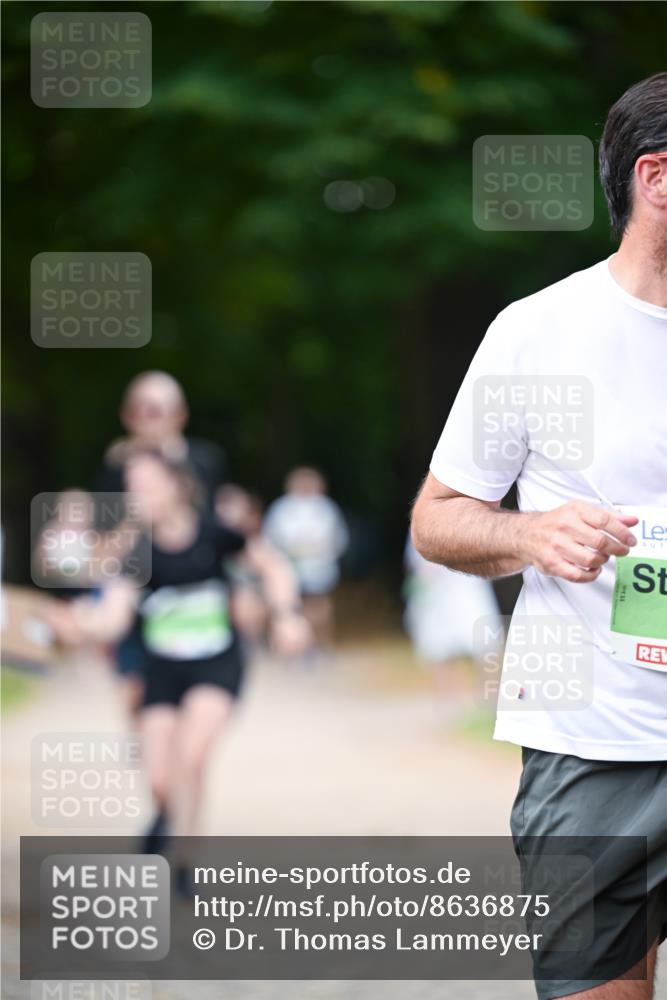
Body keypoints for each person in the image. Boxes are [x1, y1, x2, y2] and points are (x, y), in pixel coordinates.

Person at [411, 73, 666, 999]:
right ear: (656, 177)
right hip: (590, 739)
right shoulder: (537, 333)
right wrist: (531, 535)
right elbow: (436, 519)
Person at [50, 451, 310, 892]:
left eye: (149, 482)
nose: (140, 493)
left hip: (216, 662)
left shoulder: (216, 533)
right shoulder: (136, 550)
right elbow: (112, 617)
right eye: (133, 486)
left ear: (177, 485)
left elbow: (273, 566)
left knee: (191, 756)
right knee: (159, 777)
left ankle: (184, 863)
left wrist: (286, 614)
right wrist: (80, 628)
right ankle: (168, 818)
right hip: (162, 668)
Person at [95, 371, 227, 711]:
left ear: (179, 414)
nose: (141, 419)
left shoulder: (204, 460)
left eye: (152, 410)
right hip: (138, 595)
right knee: (139, 697)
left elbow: (215, 533)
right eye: (134, 410)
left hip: (191, 597)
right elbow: (103, 549)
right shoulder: (114, 470)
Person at [403, 535, 501, 718]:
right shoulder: (422, 523)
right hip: (437, 594)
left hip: (467, 589)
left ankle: (490, 702)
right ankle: (448, 703)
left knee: (485, 644)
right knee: (440, 648)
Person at [264, 467, 349, 650]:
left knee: (317, 606)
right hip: (288, 567)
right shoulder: (282, 508)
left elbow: (338, 539)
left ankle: (320, 643)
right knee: (288, 607)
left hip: (319, 567)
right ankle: (289, 647)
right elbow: (270, 538)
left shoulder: (326, 508)